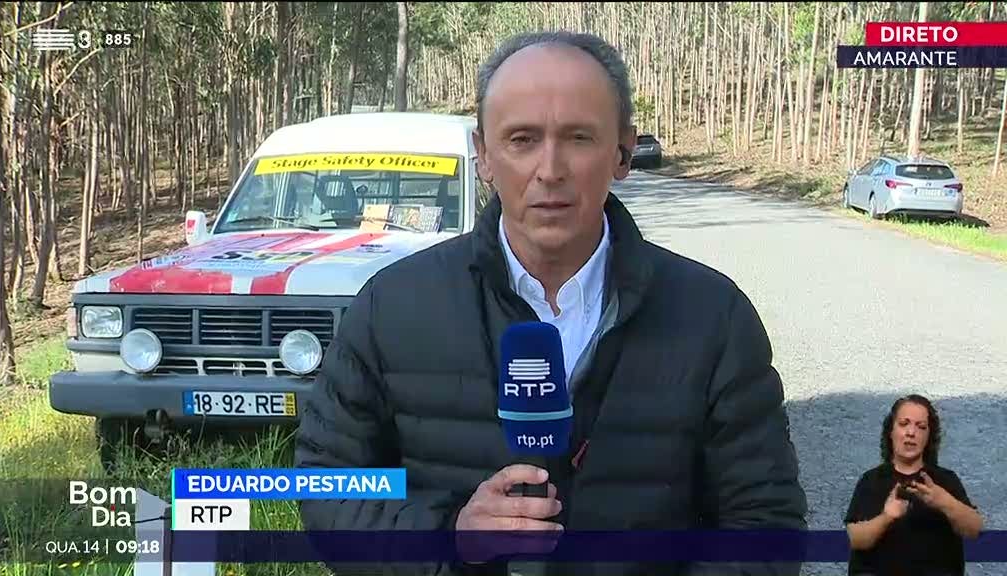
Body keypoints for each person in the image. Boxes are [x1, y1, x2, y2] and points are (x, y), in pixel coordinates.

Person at [295, 30, 807, 575]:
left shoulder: (713, 317)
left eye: (579, 138)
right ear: (483, 155)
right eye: (522, 139)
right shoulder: (392, 308)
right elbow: (328, 487)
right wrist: (450, 537)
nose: (550, 169)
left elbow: (766, 524)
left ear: (623, 152)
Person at [844, 394, 983, 576]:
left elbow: (974, 529)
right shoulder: (871, 480)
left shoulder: (946, 480)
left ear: (929, 436)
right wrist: (887, 517)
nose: (911, 432)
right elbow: (857, 539)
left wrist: (943, 501)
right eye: (904, 424)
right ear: (891, 431)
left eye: (921, 427)